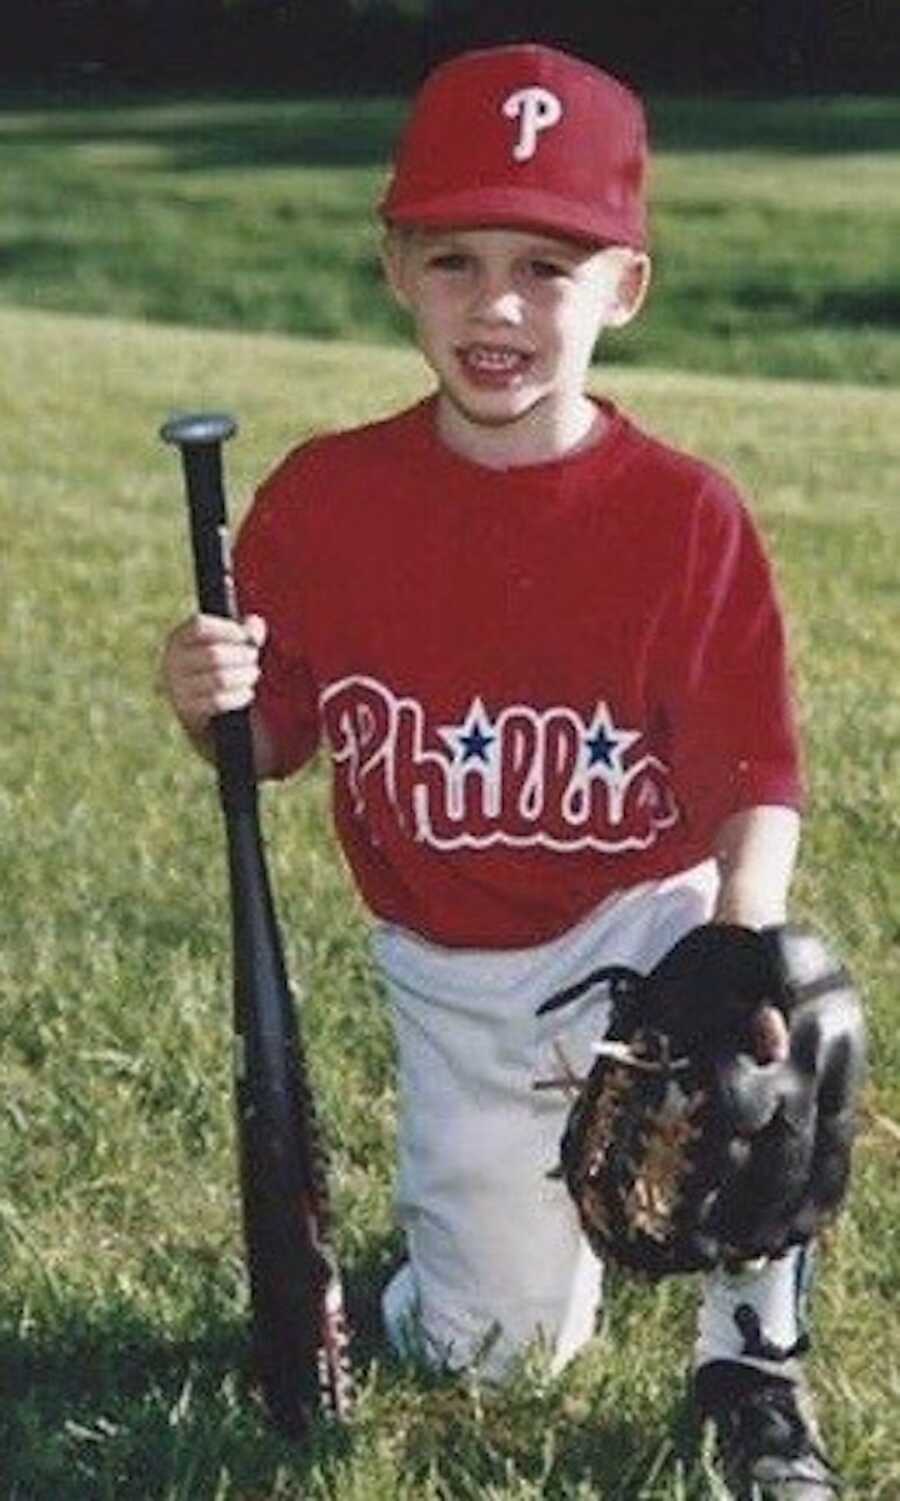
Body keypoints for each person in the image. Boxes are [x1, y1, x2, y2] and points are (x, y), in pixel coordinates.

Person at [160, 43, 839, 1499]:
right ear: (395, 268)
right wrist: (203, 691)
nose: (499, 306)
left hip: (636, 923)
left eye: (549, 263)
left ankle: (750, 1357)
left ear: (626, 290)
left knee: (781, 1023)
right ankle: (477, 1259)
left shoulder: (683, 518)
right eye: (455, 258)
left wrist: (740, 934)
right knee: (498, 1357)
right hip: (450, 970)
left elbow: (754, 772)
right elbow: (266, 740)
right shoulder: (328, 501)